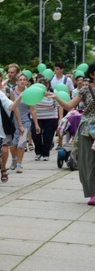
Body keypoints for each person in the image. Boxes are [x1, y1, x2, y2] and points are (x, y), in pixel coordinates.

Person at [47, 69, 95, 205]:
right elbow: (69, 105)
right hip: (87, 129)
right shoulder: (86, 90)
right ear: (92, 74)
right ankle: (93, 193)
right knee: (87, 161)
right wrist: (56, 98)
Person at [31, 76, 62, 162]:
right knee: (35, 134)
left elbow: (59, 105)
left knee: (48, 136)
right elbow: (32, 106)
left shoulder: (53, 92)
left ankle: (46, 154)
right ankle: (38, 152)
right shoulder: (34, 92)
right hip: (37, 117)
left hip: (51, 117)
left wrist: (60, 118)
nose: (44, 86)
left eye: (46, 84)